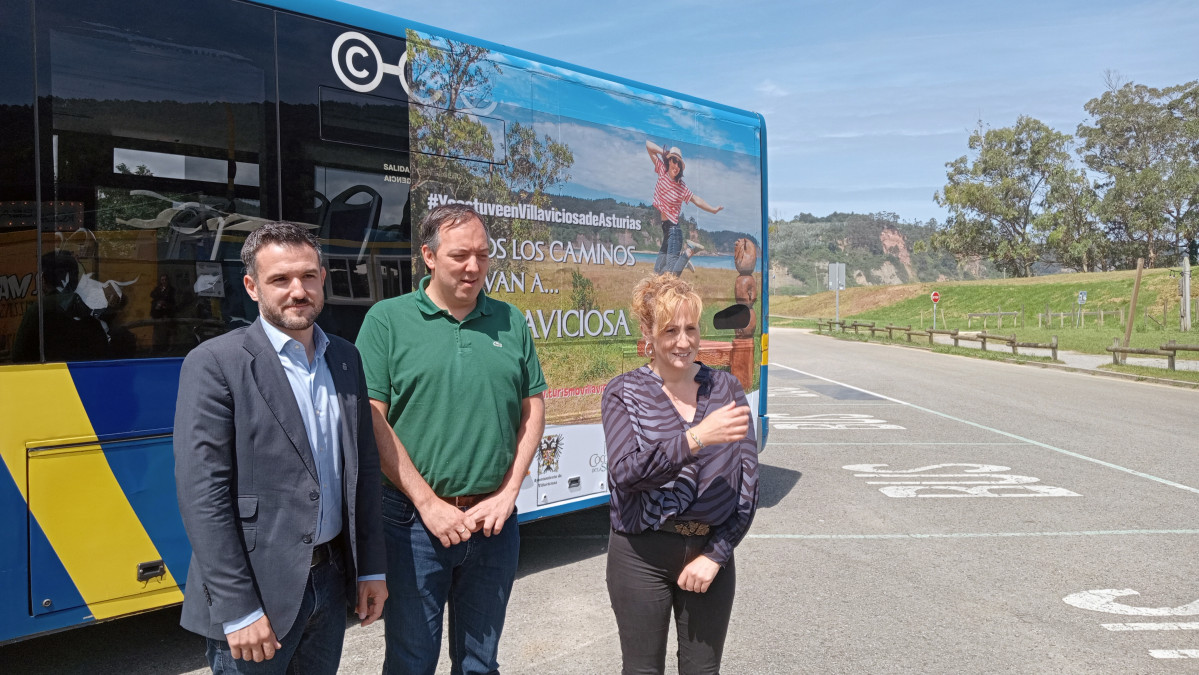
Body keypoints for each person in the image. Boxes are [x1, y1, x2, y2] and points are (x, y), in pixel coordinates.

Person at [173, 221, 387, 674]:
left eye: (308, 276)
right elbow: (203, 498)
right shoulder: (215, 364)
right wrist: (238, 608)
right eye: (280, 279)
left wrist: (370, 568)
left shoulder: (345, 358)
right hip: (257, 596)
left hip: (329, 583)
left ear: (323, 278)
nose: (298, 290)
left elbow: (363, 472)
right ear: (251, 286)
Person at [356, 203, 547, 675]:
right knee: (410, 661)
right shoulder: (387, 320)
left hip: (493, 524)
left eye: (483, 254)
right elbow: (371, 417)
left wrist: (508, 494)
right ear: (429, 255)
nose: (474, 266)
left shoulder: (510, 320)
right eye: (460, 254)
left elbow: (534, 408)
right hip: (410, 525)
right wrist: (427, 503)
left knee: (481, 663)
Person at [601, 274, 759, 675]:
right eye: (670, 330)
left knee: (702, 670)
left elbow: (748, 485)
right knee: (641, 670)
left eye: (691, 329)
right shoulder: (624, 392)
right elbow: (624, 474)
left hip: (710, 552)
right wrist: (696, 439)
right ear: (648, 333)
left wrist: (717, 555)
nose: (683, 342)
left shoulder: (725, 388)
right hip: (641, 554)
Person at [645, 141, 723, 276]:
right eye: (674, 161)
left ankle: (687, 253)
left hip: (674, 232)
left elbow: (696, 199)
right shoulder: (661, 171)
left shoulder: (681, 187)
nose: (676, 165)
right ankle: (681, 261)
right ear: (669, 161)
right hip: (666, 232)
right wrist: (665, 152)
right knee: (657, 272)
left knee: (669, 275)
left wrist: (713, 209)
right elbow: (648, 146)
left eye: (679, 164)